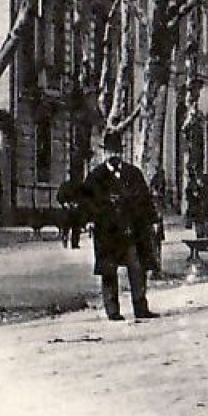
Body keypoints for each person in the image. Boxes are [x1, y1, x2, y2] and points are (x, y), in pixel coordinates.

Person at [80, 131, 161, 321]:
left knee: (137, 267)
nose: (113, 155)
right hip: (106, 231)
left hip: (131, 230)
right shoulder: (96, 176)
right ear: (104, 153)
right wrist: (89, 220)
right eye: (109, 152)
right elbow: (86, 201)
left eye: (116, 151)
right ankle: (112, 310)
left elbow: (145, 199)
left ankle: (141, 307)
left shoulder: (133, 173)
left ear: (121, 153)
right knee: (108, 270)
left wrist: (152, 221)